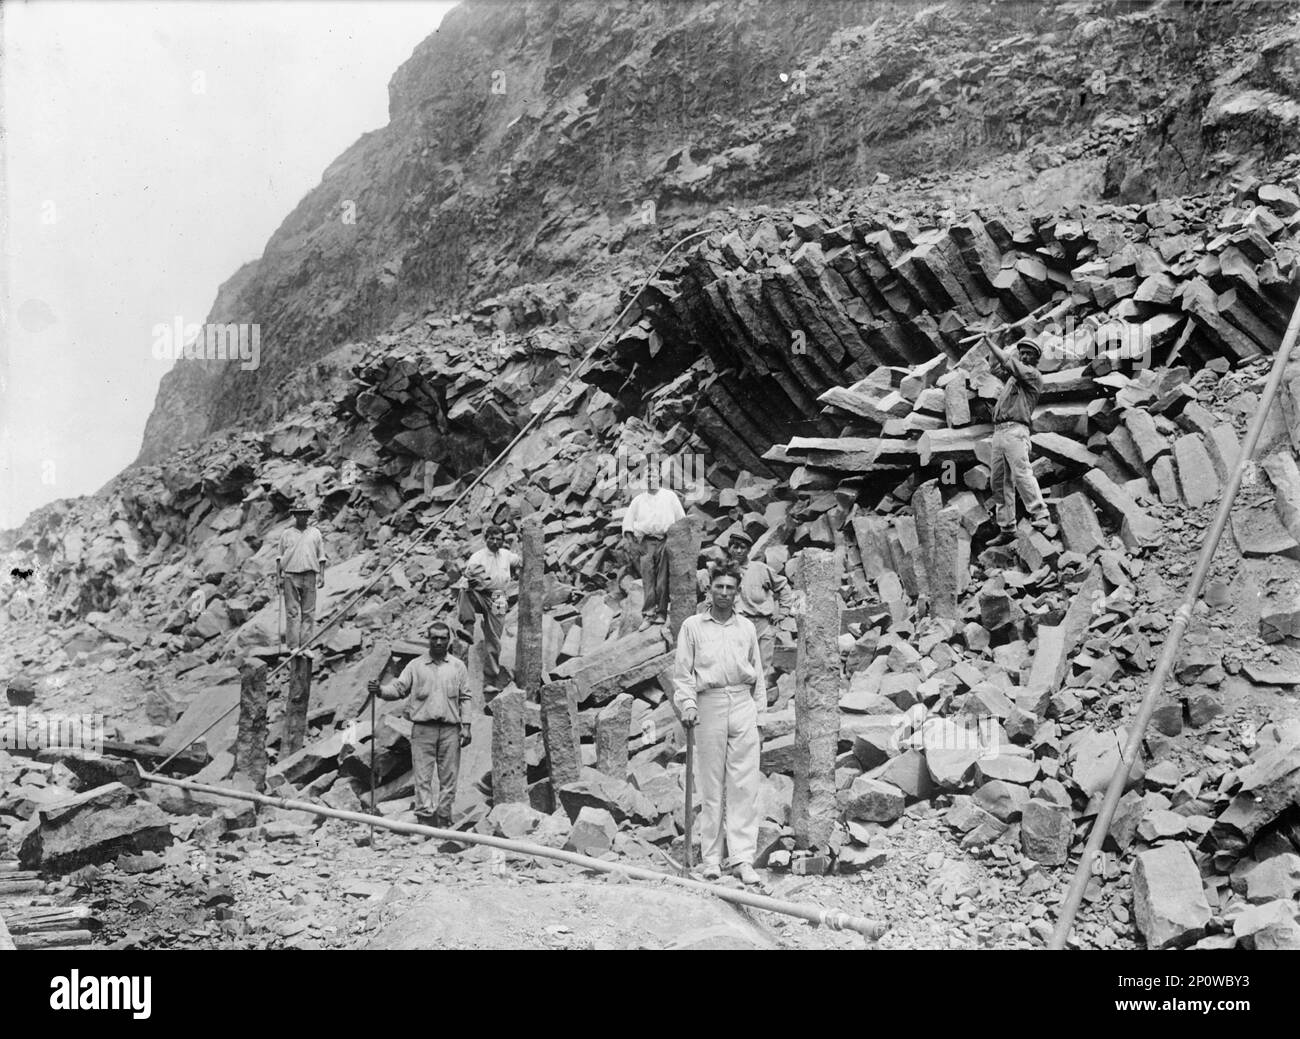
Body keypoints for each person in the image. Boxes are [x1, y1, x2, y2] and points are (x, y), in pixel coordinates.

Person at [674, 565, 766, 887]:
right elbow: (683, 673)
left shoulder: (747, 628)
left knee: (744, 784)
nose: (724, 593)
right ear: (709, 590)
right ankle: (711, 859)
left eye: (730, 587)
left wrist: (760, 716)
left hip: (742, 701)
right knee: (711, 784)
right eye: (719, 587)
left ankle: (742, 858)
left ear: (737, 591)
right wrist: (687, 704)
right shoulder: (692, 627)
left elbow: (758, 673)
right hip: (709, 703)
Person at [368, 622, 471, 829]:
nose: (439, 642)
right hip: (422, 729)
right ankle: (424, 822)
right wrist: (379, 691)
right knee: (423, 777)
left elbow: (466, 697)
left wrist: (466, 725)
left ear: (449, 640)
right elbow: (398, 689)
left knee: (448, 778)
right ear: (428, 639)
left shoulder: (458, 666)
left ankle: (443, 820)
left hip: (450, 730)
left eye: (443, 638)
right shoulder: (415, 666)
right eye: (435, 638)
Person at [984, 328, 1050, 543]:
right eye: (1021, 352)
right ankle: (1007, 528)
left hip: (1016, 431)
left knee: (1022, 474)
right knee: (999, 482)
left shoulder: (1032, 375)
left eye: (1029, 353)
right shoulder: (1013, 378)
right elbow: (995, 365)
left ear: (1036, 358)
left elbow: (1007, 362)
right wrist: (997, 338)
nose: (1024, 356)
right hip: (1000, 432)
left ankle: (1041, 514)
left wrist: (987, 340)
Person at [622, 458, 685, 631]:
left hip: (666, 540)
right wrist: (634, 543)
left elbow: (682, 520)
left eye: (654, 474)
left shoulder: (670, 496)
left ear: (659, 476)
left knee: (662, 579)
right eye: (647, 476)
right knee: (648, 578)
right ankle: (648, 614)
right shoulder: (638, 500)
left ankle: (662, 612)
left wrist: (678, 541)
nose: (651, 478)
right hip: (646, 542)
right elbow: (627, 523)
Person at [723, 532, 794, 684]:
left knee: (762, 669)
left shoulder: (760, 569)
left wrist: (783, 612)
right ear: (729, 549)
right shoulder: (723, 571)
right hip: (736, 626)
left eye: (743, 547)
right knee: (737, 668)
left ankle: (761, 704)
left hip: (762, 625)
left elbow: (783, 587)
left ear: (749, 550)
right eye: (735, 547)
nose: (739, 551)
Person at [457, 524, 520, 693]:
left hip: (499, 596)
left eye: (499, 539)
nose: (495, 542)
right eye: (491, 538)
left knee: (494, 638)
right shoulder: (477, 557)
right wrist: (471, 582)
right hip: (480, 594)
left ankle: (489, 680)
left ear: (502, 540)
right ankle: (468, 628)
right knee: (465, 591)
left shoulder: (506, 555)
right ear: (486, 539)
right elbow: (467, 577)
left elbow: (519, 560)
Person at [277, 500, 327, 651]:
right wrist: (278, 576)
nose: (302, 517)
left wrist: (322, 575)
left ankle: (306, 646)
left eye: (304, 514)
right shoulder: (286, 534)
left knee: (308, 612)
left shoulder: (315, 533)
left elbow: (321, 556)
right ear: (295, 516)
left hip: (309, 575)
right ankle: (293, 647)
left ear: (308, 515)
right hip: (290, 575)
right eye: (299, 514)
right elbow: (279, 557)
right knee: (292, 612)